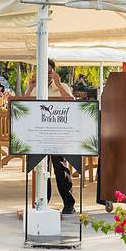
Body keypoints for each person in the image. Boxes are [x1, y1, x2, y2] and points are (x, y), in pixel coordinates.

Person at [27, 58, 76, 215]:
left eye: (50, 72)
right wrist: (30, 88)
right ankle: (42, 201)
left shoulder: (63, 87)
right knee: (41, 168)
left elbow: (71, 102)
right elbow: (24, 105)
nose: (47, 76)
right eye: (44, 73)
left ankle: (69, 203)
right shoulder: (35, 88)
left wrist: (60, 85)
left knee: (60, 167)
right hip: (39, 134)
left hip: (58, 134)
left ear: (55, 72)